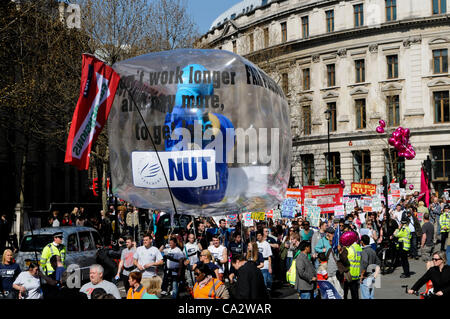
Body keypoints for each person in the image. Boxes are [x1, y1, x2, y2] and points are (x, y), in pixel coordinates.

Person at [339, 231, 362, 300]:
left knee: (345, 293)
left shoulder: (349, 249)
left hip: (348, 274)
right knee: (355, 294)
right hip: (356, 274)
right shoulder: (359, 248)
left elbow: (345, 259)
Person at [359, 235, 381, 299]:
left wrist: (362, 275)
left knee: (365, 296)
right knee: (371, 296)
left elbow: (365, 263)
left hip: (366, 277)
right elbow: (378, 263)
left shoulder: (364, 251)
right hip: (372, 276)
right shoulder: (372, 250)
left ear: (362, 242)